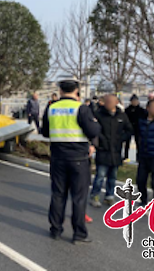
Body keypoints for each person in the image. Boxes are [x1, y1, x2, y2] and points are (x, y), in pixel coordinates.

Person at [42, 79, 101, 244]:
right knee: (78, 198)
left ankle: (55, 230)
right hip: (78, 159)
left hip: (57, 158)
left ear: (60, 91)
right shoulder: (81, 108)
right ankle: (79, 233)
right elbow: (94, 131)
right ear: (77, 91)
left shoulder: (51, 107)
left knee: (58, 195)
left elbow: (45, 132)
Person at [90, 94, 133, 207]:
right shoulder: (99, 114)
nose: (108, 104)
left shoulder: (122, 116)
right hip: (103, 150)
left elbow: (129, 130)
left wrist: (121, 139)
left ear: (116, 102)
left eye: (111, 102)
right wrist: (101, 141)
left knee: (113, 176)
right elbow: (95, 130)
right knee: (100, 175)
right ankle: (95, 195)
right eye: (106, 101)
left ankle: (109, 196)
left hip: (116, 150)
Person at [125, 94, 145, 162]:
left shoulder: (141, 110)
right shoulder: (127, 110)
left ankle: (138, 157)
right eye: (133, 101)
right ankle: (126, 156)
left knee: (138, 143)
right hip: (129, 128)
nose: (134, 102)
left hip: (138, 128)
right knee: (127, 143)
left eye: (135, 101)